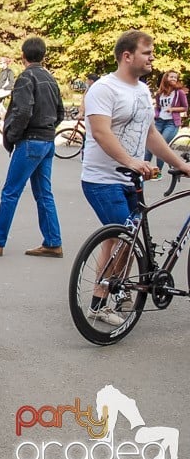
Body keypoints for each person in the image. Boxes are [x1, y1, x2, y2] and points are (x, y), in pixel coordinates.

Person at [81, 30, 190, 325]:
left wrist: (181, 163)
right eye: (146, 52)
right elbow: (101, 132)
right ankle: (101, 300)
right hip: (102, 179)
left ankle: (108, 294)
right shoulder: (104, 89)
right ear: (127, 56)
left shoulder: (142, 90)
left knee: (119, 239)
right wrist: (131, 160)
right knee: (123, 237)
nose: (152, 56)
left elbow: (151, 135)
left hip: (132, 179)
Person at [0, 37, 65, 258]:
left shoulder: (25, 78)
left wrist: (12, 136)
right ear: (43, 55)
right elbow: (60, 112)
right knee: (44, 194)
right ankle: (53, 242)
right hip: (47, 140)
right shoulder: (50, 79)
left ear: (23, 56)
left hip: (31, 140)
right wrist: (47, 129)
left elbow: (23, 111)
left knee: (10, 192)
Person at [144, 70, 187, 176]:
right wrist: (156, 114)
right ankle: (145, 172)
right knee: (149, 146)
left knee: (161, 145)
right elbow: (158, 107)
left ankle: (157, 173)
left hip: (172, 123)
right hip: (159, 122)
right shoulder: (160, 93)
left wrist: (172, 109)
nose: (174, 79)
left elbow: (185, 107)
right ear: (165, 78)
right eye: (171, 77)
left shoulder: (179, 93)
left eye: (175, 77)